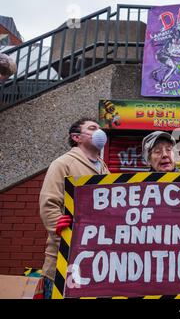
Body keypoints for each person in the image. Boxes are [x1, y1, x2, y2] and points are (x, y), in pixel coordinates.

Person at [39, 118, 110, 299]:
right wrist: (62, 231)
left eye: (100, 128)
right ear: (76, 137)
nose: (99, 132)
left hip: (93, 258)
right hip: (64, 258)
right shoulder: (63, 164)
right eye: (93, 128)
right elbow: (49, 203)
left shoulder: (104, 168)